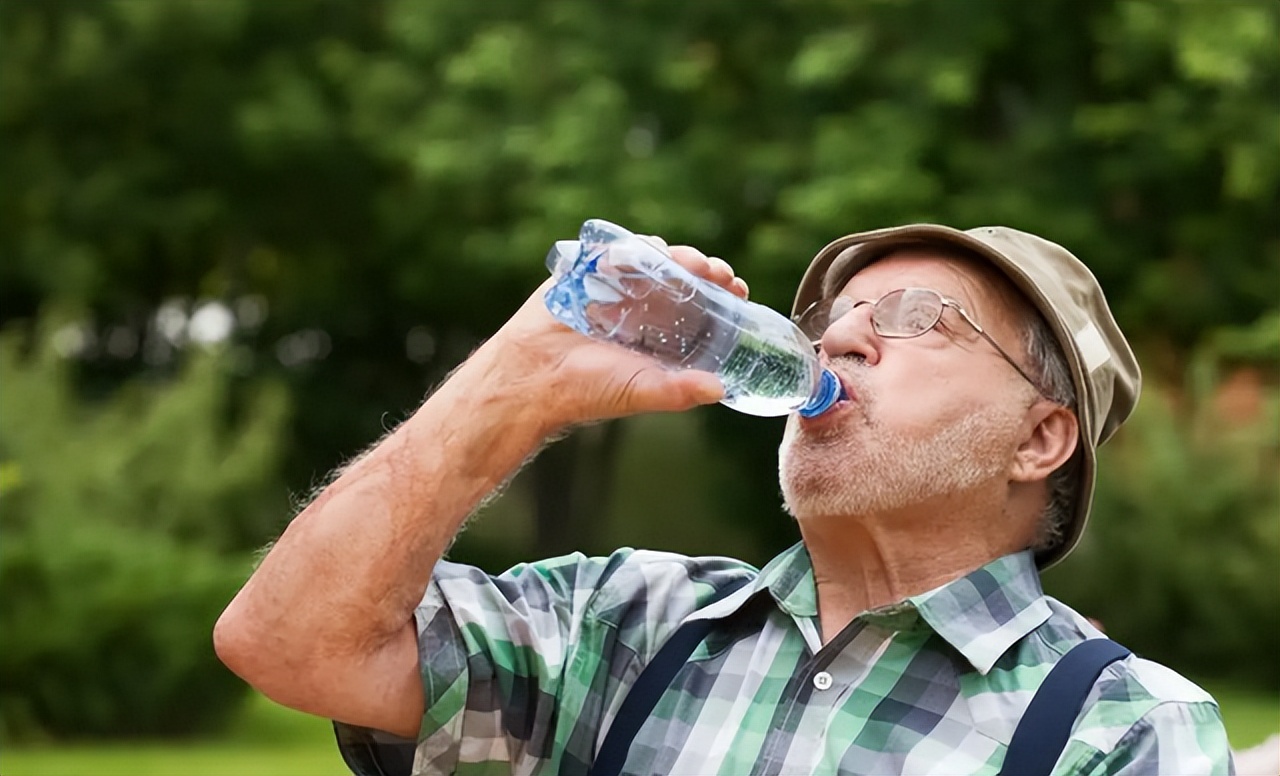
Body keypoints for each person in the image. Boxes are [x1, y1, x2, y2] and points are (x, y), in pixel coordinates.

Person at [214, 223, 1235, 775]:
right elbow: (290, 639)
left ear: (1038, 437)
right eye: (831, 317)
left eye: (921, 318)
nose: (834, 339)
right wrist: (508, 393)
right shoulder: (622, 626)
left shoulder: (1121, 731)